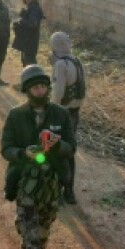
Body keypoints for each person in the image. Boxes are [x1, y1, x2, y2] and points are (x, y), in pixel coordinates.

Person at [0, 64, 75, 249]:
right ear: (27, 90)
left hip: (51, 187)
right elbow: (6, 148)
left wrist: (57, 146)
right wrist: (23, 154)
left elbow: (71, 148)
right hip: (26, 186)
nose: (40, 89)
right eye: (35, 86)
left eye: (43, 85)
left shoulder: (61, 115)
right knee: (30, 240)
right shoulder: (16, 115)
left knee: (41, 237)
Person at [49, 31, 85, 205]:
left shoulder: (61, 65)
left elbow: (58, 92)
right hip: (75, 112)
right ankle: (69, 192)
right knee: (69, 152)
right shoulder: (77, 61)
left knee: (54, 151)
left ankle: (57, 191)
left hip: (61, 113)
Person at [11, 0, 45, 66]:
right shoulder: (30, 7)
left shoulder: (34, 8)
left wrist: (21, 21)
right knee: (25, 61)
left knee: (30, 63)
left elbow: (33, 24)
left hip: (30, 42)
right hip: (27, 41)